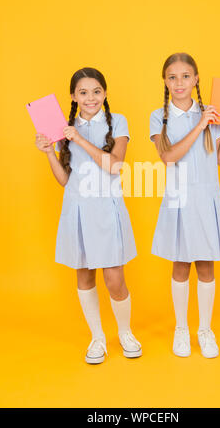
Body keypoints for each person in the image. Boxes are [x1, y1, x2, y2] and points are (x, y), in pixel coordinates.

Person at [35, 67, 142, 364]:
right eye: (83, 92)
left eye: (96, 91)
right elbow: (65, 180)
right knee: (84, 276)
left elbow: (115, 165)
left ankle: (125, 332)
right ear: (73, 96)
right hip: (77, 209)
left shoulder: (117, 122)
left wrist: (79, 139)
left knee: (114, 278)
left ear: (105, 93)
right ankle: (97, 338)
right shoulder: (63, 127)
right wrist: (48, 152)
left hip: (107, 208)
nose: (90, 98)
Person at [149, 53, 220, 358]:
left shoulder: (211, 113)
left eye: (186, 76)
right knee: (180, 265)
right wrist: (200, 124)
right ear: (165, 81)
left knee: (205, 266)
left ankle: (204, 329)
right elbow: (168, 156)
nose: (179, 83)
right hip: (179, 201)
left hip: (206, 198)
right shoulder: (158, 116)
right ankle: (181, 329)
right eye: (172, 77)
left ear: (196, 79)